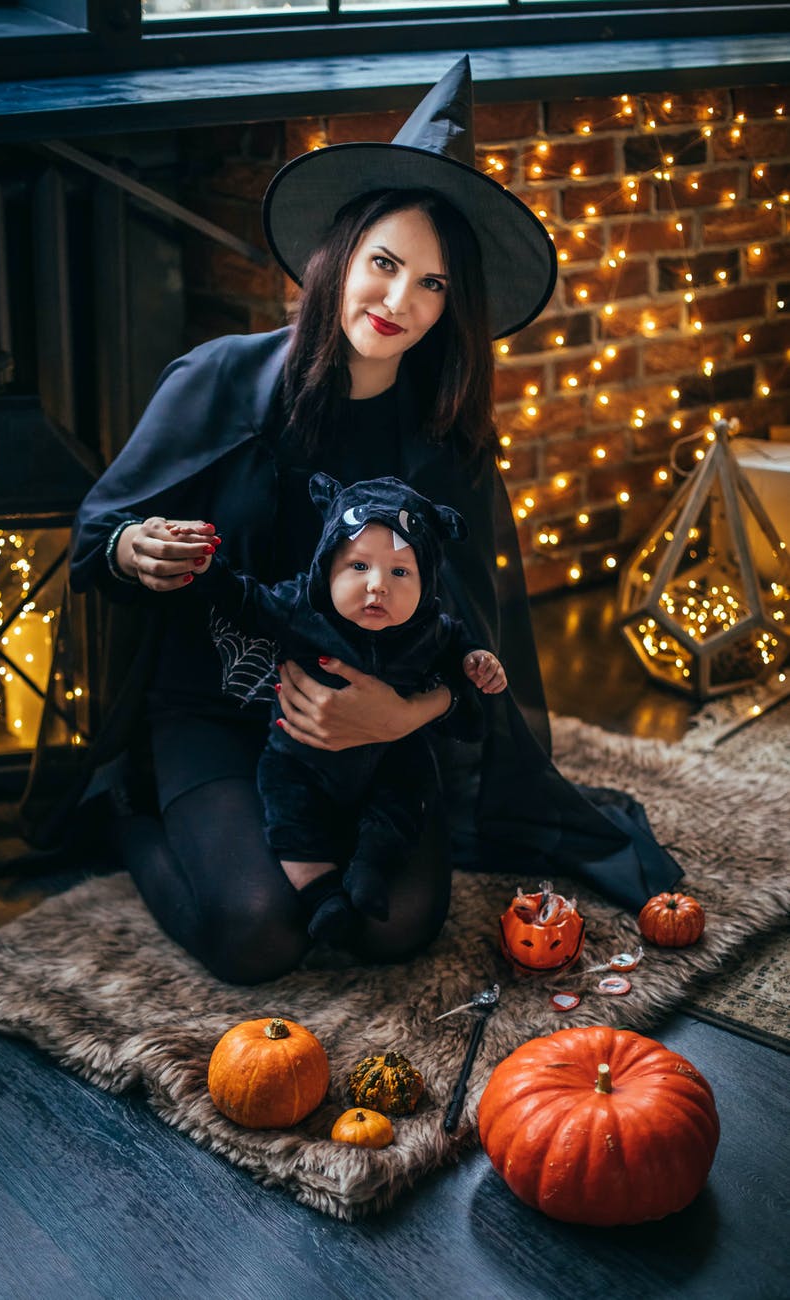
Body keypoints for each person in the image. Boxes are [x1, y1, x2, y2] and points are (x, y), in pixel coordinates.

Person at [64, 56, 682, 985]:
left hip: (381, 722)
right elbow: (97, 538)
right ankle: (131, 817)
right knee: (259, 935)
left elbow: (478, 636)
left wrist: (405, 712)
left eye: (432, 285)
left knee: (397, 928)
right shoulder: (220, 377)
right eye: (385, 264)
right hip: (219, 708)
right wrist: (130, 546)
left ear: (452, 308)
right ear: (340, 256)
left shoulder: (446, 440)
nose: (399, 303)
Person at [174, 472, 506, 944]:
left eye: (399, 572)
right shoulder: (301, 608)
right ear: (326, 566)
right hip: (300, 759)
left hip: (390, 757)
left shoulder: (431, 628)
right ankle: (322, 895)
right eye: (358, 567)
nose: (377, 587)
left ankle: (369, 866)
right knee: (289, 816)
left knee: (404, 801)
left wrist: (475, 661)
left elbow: (460, 664)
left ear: (426, 580)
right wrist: (209, 570)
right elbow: (246, 602)